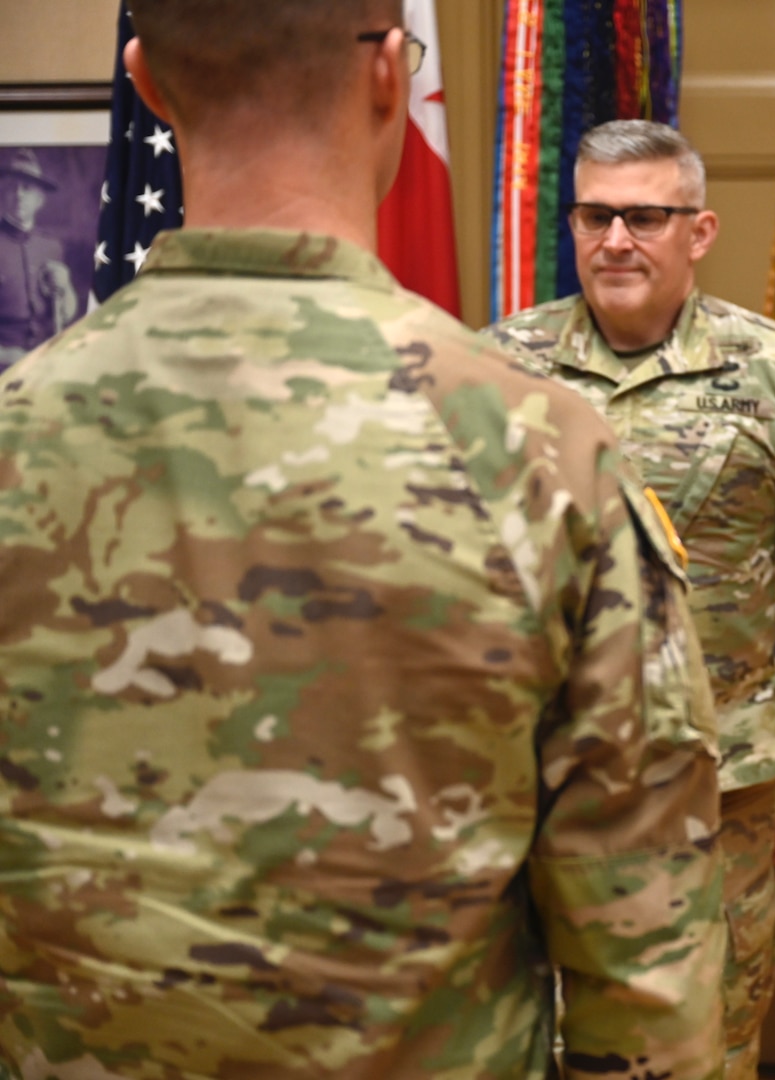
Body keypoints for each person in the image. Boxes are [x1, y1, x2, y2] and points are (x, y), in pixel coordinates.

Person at [0, 4, 724, 1078]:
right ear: (391, 72)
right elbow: (642, 955)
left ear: (144, 80)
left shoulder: (16, 435)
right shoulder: (541, 453)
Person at [488, 120, 775, 1080]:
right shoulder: (495, 368)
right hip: (535, 771)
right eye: (594, 215)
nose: (615, 239)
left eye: (644, 217)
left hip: (720, 779)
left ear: (697, 231)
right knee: (532, 1025)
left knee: (713, 1028)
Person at [0, 147, 79, 368]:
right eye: (11, 187)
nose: (18, 194)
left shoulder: (51, 246)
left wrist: (66, 286)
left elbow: (65, 314)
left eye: (26, 188)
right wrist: (6, 355)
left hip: (46, 361)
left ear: (40, 199)